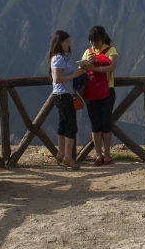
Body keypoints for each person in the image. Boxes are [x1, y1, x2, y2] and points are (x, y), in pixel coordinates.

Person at [79, 26, 118, 166]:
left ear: (102, 38)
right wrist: (86, 65)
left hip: (107, 90)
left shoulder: (111, 50)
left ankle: (107, 154)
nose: (93, 44)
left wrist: (95, 68)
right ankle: (98, 154)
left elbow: (112, 67)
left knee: (106, 123)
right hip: (91, 93)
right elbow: (82, 70)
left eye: (96, 41)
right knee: (95, 125)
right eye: (91, 41)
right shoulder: (87, 52)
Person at [48, 30, 85, 170]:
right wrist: (74, 74)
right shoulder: (58, 58)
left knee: (63, 124)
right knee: (71, 126)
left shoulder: (60, 57)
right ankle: (68, 157)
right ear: (60, 42)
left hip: (62, 95)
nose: (69, 44)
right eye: (67, 41)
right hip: (63, 95)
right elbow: (57, 79)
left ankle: (61, 153)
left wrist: (77, 72)